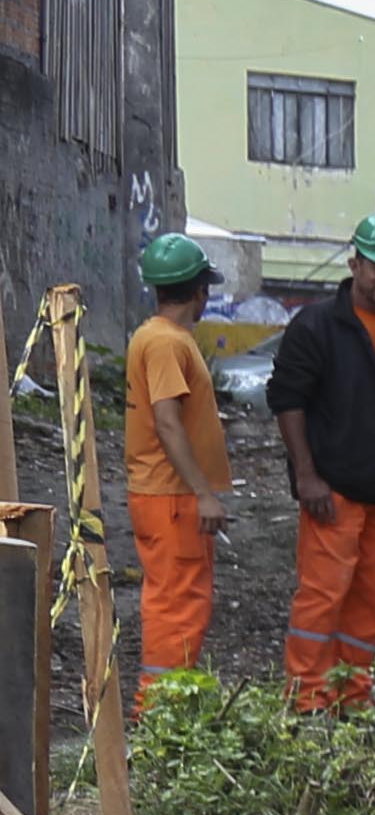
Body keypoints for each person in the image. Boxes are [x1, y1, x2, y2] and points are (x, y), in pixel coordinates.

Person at [262, 211, 375, 712]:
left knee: (371, 602)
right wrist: (307, 475)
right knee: (322, 597)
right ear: (355, 262)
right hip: (334, 492)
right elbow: (287, 400)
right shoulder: (318, 326)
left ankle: (352, 697)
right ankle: (307, 701)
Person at [121, 232, 229, 678]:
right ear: (200, 290)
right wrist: (203, 493)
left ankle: (164, 714)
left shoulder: (156, 337)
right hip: (173, 498)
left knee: (176, 602)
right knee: (177, 609)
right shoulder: (168, 343)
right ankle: (159, 718)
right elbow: (167, 421)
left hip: (166, 496)